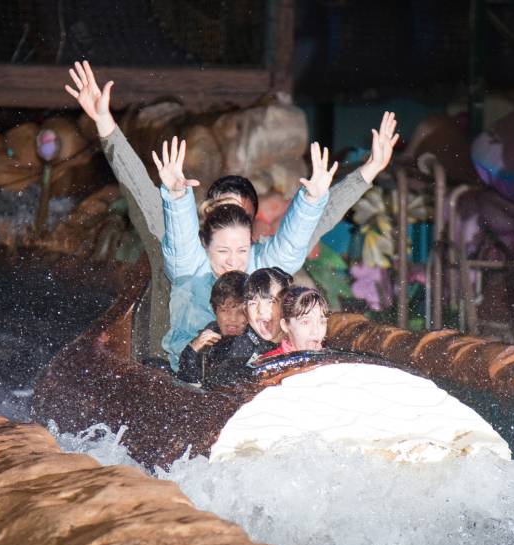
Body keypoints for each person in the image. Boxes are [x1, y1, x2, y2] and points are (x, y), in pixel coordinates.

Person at [65, 61, 398, 357]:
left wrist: (366, 171)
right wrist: (106, 125)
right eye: (222, 214)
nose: (232, 255)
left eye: (240, 225)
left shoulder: (260, 266)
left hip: (242, 374)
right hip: (171, 367)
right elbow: (139, 191)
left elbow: (314, 223)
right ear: (206, 217)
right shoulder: (180, 250)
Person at [154, 136, 336, 369]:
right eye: (222, 250)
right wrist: (177, 198)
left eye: (241, 249)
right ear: (205, 245)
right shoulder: (190, 269)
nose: (233, 260)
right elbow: (180, 243)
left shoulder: (258, 266)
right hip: (193, 377)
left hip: (253, 372)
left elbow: (289, 246)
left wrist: (312, 200)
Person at [177, 270, 248, 385]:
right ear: (215, 310)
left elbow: (220, 383)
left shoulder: (252, 339)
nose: (233, 319)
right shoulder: (212, 330)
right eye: (225, 310)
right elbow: (187, 379)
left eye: (241, 312)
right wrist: (193, 348)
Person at [258, 286, 330, 360]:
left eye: (322, 322)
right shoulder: (269, 363)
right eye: (305, 322)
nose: (316, 331)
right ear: (285, 325)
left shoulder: (330, 360)